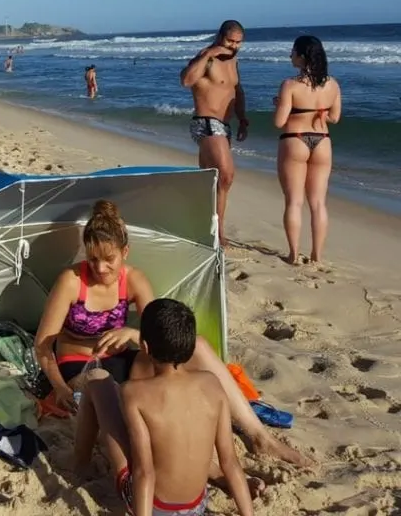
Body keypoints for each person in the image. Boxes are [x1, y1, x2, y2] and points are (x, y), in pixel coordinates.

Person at [33, 199, 309, 467]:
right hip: (82, 368)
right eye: (93, 259)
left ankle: (259, 437)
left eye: (109, 259)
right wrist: (58, 387)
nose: (100, 268)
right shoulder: (71, 281)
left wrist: (131, 333)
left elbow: (161, 335)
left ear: (125, 252)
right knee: (118, 402)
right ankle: (205, 470)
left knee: (197, 345)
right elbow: (43, 346)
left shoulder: (134, 280)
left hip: (125, 362)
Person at [73, 299, 256, 516]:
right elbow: (230, 462)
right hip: (197, 505)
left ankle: (80, 465)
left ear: (145, 346)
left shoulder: (134, 393)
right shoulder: (212, 384)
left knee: (98, 379)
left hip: (156, 507)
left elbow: (144, 471)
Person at [274, 35, 342, 265]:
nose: (290, 55)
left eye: (293, 52)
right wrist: (318, 112)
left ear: (302, 57)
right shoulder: (332, 84)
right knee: (318, 203)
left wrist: (279, 104)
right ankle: (317, 256)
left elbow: (279, 121)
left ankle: (293, 254)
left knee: (294, 201)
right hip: (322, 139)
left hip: (295, 138)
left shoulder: (290, 85)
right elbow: (335, 117)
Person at [179, 21, 248, 247]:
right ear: (220, 36)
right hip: (206, 122)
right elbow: (186, 80)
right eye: (230, 41)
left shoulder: (233, 60)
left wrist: (242, 118)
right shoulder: (206, 57)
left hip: (224, 126)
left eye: (238, 42)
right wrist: (209, 53)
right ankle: (217, 233)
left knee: (213, 180)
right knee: (226, 175)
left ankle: (206, 226)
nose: (234, 46)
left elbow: (236, 90)